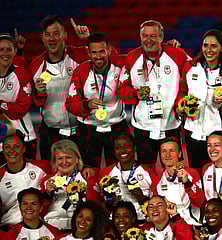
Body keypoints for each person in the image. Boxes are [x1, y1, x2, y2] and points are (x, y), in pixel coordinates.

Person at [119, 20, 189, 167]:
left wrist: (182, 102)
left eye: (153, 36)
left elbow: (194, 73)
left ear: (161, 38)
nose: (148, 40)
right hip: (143, 126)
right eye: (145, 36)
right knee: (146, 170)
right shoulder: (132, 58)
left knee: (174, 169)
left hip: (171, 124)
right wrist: (136, 93)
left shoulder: (177, 55)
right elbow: (122, 89)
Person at [30, 16, 91, 160]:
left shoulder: (80, 56)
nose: (52, 38)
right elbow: (33, 101)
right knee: (53, 176)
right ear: (43, 38)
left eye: (56, 33)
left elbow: (109, 56)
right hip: (51, 133)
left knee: (83, 175)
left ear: (65, 36)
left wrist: (87, 40)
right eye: (48, 34)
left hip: (81, 130)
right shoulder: (35, 66)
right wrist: (38, 93)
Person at [177, 29, 222, 169]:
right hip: (192, 130)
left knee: (219, 172)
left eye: (214, 46)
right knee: (196, 172)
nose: (208, 50)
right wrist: (182, 106)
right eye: (205, 45)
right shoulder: (190, 67)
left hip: (218, 132)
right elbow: (182, 93)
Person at [65, 32, 127, 167]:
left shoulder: (120, 65)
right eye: (94, 52)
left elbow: (141, 56)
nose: (98, 56)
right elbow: (70, 103)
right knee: (89, 171)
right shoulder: (80, 72)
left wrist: (167, 46)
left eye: (102, 51)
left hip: (116, 127)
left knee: (119, 169)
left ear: (109, 50)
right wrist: (86, 105)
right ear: (88, 53)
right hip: (89, 129)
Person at [41, 140, 99, 231]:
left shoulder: (87, 177)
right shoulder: (46, 181)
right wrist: (47, 194)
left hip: (79, 226)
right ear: (55, 161)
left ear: (77, 159)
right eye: (60, 158)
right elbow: (40, 210)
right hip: (52, 225)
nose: (64, 162)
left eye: (68, 157)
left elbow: (94, 206)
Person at [98, 135, 153, 222]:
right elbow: (100, 204)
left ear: (134, 148)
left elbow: (156, 203)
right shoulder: (105, 173)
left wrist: (141, 198)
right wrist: (110, 202)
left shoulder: (148, 172)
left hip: (142, 221)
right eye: (117, 147)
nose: (122, 150)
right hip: (115, 223)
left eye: (127, 146)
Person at [0, 131, 49, 228]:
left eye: (16, 147)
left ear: (24, 149)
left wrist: (85, 168)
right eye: (7, 147)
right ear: (3, 150)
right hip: (11, 225)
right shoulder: (0, 176)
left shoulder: (43, 167)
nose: (12, 151)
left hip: (42, 221)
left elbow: (65, 169)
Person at [152, 137, 205, 225]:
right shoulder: (157, 179)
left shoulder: (192, 173)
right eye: (164, 151)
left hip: (191, 222)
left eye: (171, 150)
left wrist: (187, 183)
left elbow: (200, 202)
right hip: (169, 224)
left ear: (179, 154)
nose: (167, 155)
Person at [0, 33, 36, 159]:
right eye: (1, 49)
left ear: (15, 51)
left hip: (24, 137)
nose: (5, 53)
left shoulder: (22, 75)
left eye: (9, 49)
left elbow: (21, 109)